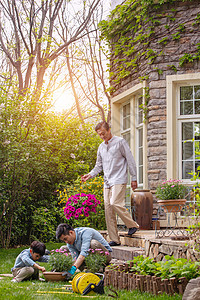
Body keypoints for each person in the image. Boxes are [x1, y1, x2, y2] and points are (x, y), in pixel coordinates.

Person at [81, 121, 139, 247]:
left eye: (103, 133)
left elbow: (130, 160)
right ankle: (115, 239)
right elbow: (98, 166)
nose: (102, 136)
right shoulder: (101, 147)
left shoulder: (120, 142)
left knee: (115, 203)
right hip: (107, 181)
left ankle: (132, 225)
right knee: (108, 209)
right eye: (99, 135)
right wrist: (90, 175)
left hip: (119, 179)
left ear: (109, 130)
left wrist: (134, 178)